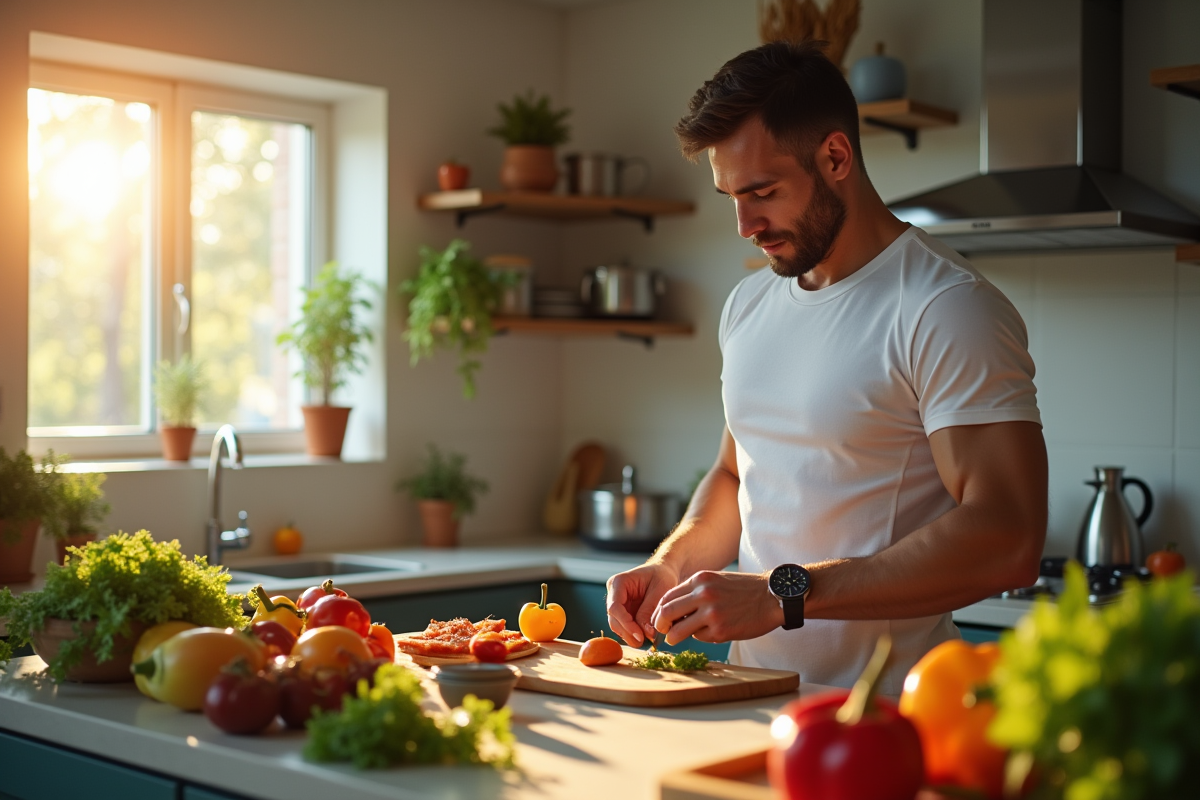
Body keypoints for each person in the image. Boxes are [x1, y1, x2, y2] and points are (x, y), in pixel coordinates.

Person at [605, 40, 1048, 694]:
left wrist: (782, 593)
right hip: (745, 699)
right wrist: (671, 566)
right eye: (731, 196)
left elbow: (1008, 534)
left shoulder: (945, 308)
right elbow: (736, 473)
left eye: (762, 192)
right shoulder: (749, 303)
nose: (744, 225)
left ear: (835, 156)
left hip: (883, 716)